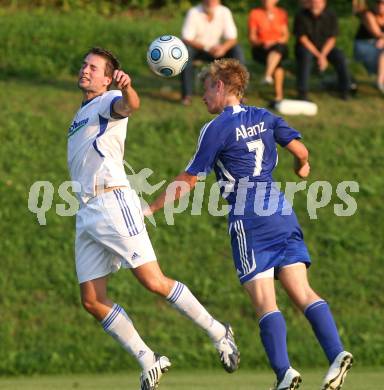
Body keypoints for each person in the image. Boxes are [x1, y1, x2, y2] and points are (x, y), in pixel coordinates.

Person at [145, 58, 353, 390]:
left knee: (264, 302)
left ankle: (284, 373)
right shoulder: (265, 116)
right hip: (281, 210)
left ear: (220, 86)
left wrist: (151, 208)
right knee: (302, 291)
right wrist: (303, 165)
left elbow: (189, 179)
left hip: (250, 218)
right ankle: (336, 353)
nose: (202, 98)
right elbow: (301, 149)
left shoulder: (216, 128)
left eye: (205, 89)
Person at [67, 47, 240, 390]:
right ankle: (148, 359)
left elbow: (130, 105)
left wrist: (128, 87)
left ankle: (219, 332)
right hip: (87, 211)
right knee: (92, 300)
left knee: (154, 281)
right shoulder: (81, 111)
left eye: (93, 67)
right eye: (84, 64)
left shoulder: (109, 100)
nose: (85, 70)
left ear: (107, 78)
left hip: (113, 202)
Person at [180, 0, 245, 106]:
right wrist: (206, 47)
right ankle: (187, 95)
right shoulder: (194, 12)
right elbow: (187, 38)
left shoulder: (225, 12)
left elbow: (232, 38)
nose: (211, 1)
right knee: (186, 54)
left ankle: (237, 94)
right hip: (199, 49)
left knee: (237, 51)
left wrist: (223, 48)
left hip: (219, 49)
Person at [293, 0, 353, 100]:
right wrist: (319, 56)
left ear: (324, 3)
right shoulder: (301, 15)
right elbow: (303, 39)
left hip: (326, 48)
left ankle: (345, 89)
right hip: (307, 47)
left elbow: (332, 39)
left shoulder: (331, 15)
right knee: (305, 57)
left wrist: (323, 55)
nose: (316, 4)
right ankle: (302, 92)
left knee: (340, 57)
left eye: (319, 2)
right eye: (314, 2)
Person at [248, 0, 289, 105]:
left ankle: (267, 75)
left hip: (278, 46)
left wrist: (274, 42)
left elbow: (285, 36)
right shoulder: (255, 13)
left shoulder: (281, 13)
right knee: (278, 63)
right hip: (261, 48)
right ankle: (278, 96)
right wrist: (263, 42)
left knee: (278, 48)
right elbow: (252, 37)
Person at [353, 0, 384, 93]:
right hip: (365, 45)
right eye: (378, 2)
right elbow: (377, 33)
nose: (381, 5)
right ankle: (379, 82)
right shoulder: (367, 14)